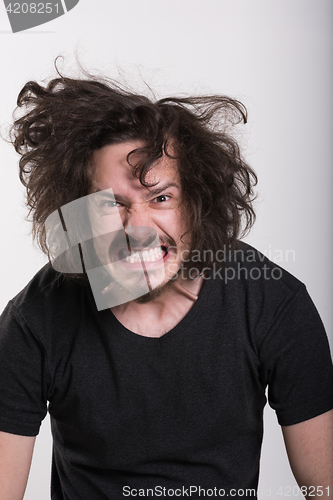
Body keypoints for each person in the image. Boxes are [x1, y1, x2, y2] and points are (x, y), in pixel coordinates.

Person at [0, 72, 332, 500]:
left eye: (160, 198)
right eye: (112, 204)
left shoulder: (271, 302)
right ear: (79, 215)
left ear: (196, 204)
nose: (137, 229)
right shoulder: (35, 320)